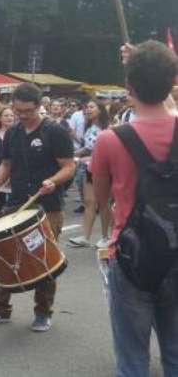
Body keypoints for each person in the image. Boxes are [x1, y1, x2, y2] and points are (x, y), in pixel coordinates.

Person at [92, 40, 178, 377]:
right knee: (175, 352)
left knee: (132, 358)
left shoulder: (110, 140)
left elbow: (101, 201)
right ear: (172, 82)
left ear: (128, 86)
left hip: (131, 257)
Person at [0, 82, 75, 332]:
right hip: (18, 203)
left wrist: (53, 180)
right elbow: (6, 164)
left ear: (39, 107)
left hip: (47, 206)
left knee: (43, 260)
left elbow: (69, 166)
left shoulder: (55, 131)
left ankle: (43, 312)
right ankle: (0, 309)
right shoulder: (13, 132)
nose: (22, 116)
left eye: (27, 111)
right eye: (18, 111)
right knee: (5, 255)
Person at [68, 100, 111, 248]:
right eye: (86, 107)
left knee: (104, 203)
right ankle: (85, 236)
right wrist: (72, 155)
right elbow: (87, 148)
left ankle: (106, 237)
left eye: (91, 107)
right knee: (89, 201)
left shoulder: (109, 127)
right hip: (88, 168)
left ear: (101, 110)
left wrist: (83, 158)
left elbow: (107, 152)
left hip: (104, 169)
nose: (87, 109)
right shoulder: (89, 127)